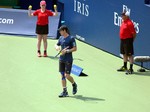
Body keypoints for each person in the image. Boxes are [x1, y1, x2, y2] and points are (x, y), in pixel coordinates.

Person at [55, 25, 77, 97]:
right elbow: (56, 44)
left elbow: (75, 48)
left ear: (64, 30)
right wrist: (57, 47)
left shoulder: (71, 38)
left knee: (67, 76)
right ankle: (64, 91)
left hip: (68, 60)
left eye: (60, 31)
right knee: (62, 75)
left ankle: (74, 84)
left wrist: (67, 51)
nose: (59, 32)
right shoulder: (61, 38)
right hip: (61, 59)